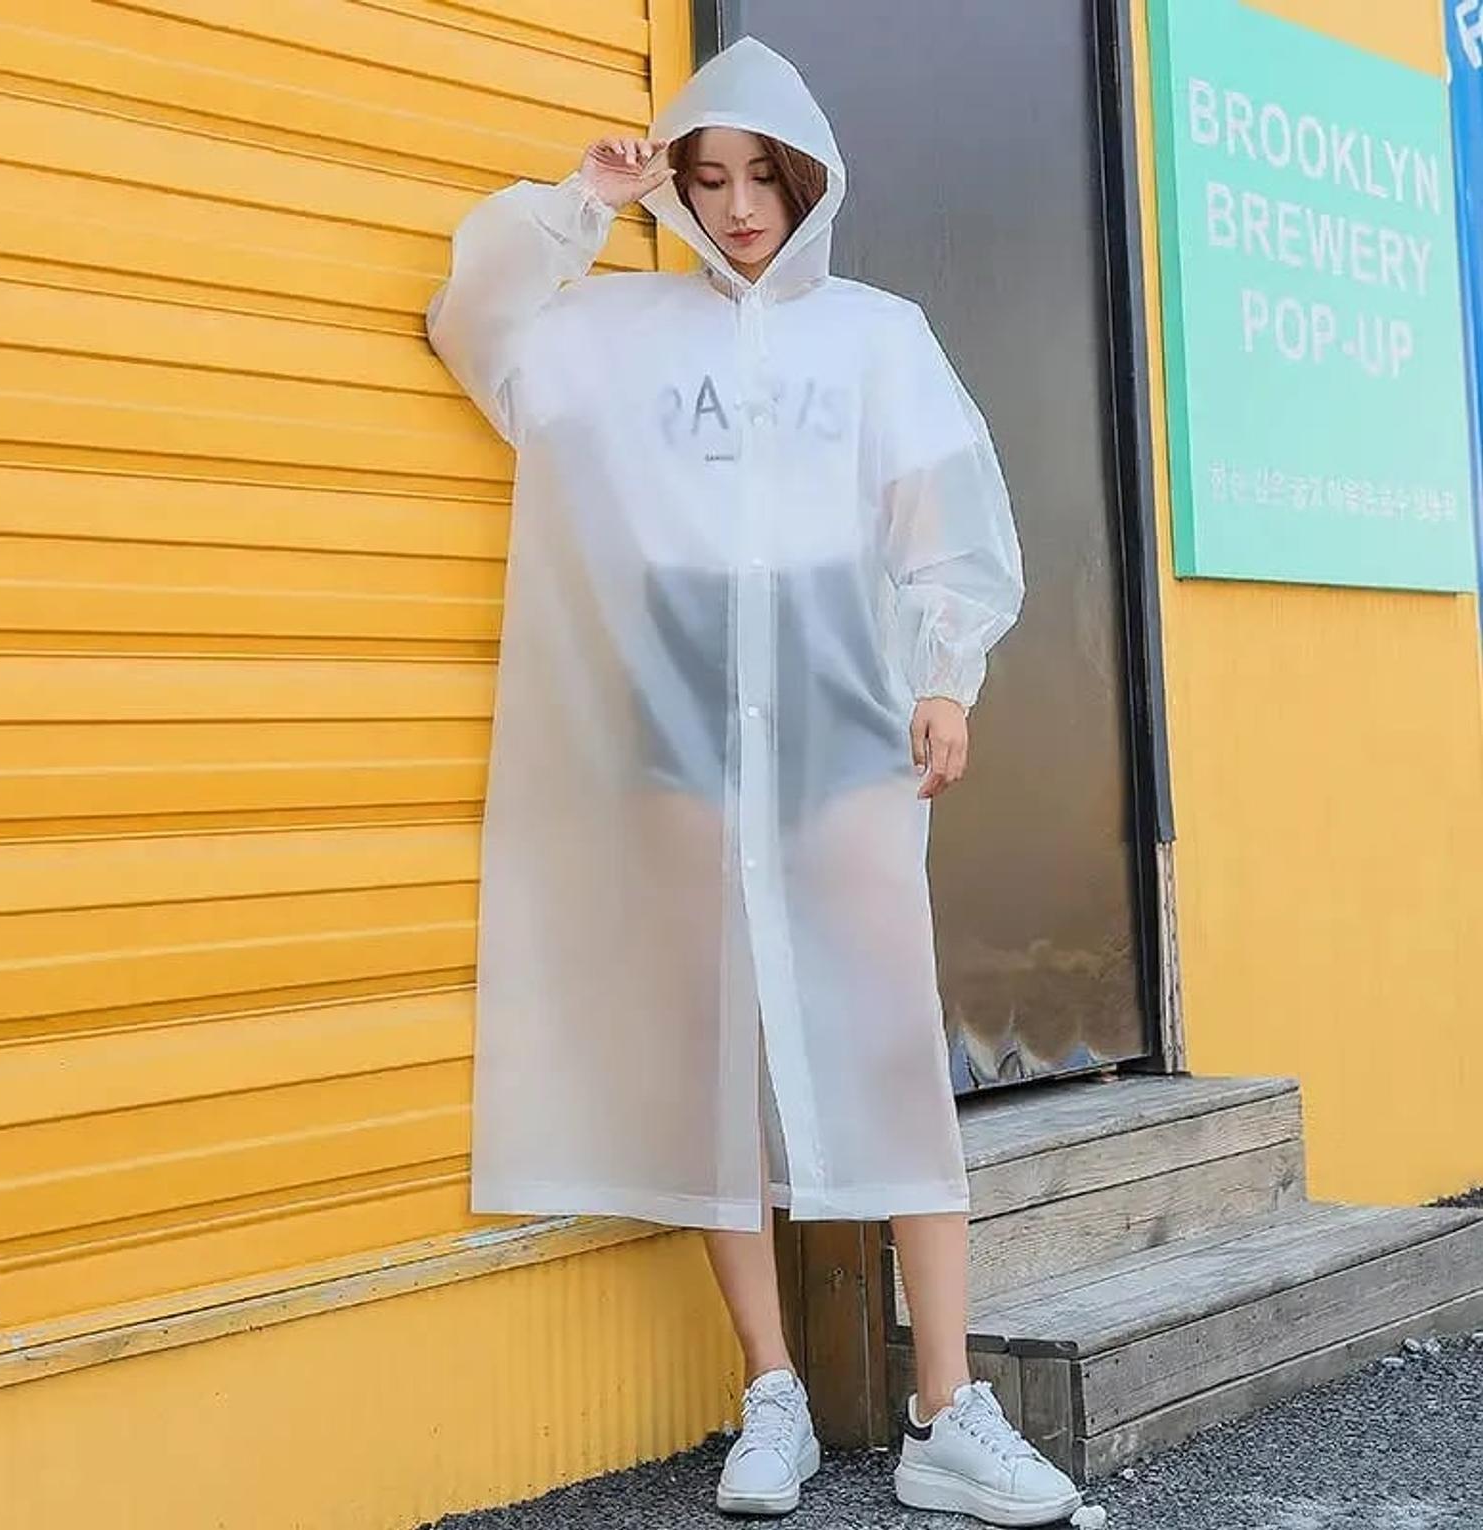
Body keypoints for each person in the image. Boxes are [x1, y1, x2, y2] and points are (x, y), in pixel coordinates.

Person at [424, 35, 1081, 1529]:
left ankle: (947, 1406)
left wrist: (944, 674)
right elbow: (475, 324)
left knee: (888, 1038)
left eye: (762, 177)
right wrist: (585, 206)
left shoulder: (877, 335)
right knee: (716, 1053)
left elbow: (949, 519)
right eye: (709, 177)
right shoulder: (613, 329)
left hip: (840, 721)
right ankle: (770, 1387)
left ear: (808, 182)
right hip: (680, 716)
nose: (735, 206)